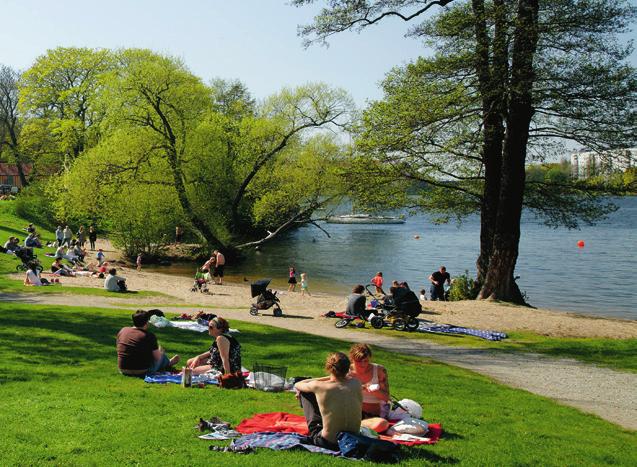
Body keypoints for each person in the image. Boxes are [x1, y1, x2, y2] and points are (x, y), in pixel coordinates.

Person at [294, 352, 362, 451]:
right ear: (348, 368)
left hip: (329, 442)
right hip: (353, 439)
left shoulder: (319, 386)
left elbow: (298, 384)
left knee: (305, 392)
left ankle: (319, 426)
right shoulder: (356, 383)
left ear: (329, 368)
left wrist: (328, 377)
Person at [116, 310, 180, 376]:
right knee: (161, 354)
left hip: (123, 369)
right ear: (147, 323)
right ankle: (168, 363)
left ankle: (168, 363)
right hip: (143, 371)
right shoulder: (148, 336)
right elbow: (157, 358)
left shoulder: (123, 330)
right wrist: (160, 351)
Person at [348, 344, 390, 418]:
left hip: (371, 415)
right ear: (352, 359)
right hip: (350, 412)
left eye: (366, 361)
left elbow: (386, 397)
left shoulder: (379, 370)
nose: (363, 364)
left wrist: (374, 391)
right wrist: (360, 387)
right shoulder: (346, 370)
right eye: (359, 361)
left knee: (381, 424)